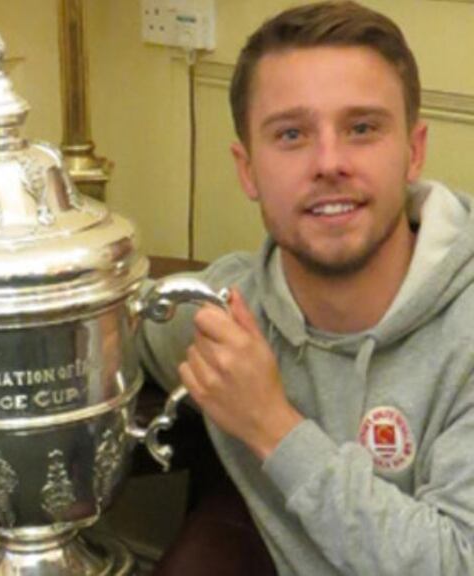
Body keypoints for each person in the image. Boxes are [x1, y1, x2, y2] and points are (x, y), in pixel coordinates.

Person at [138, 2, 474, 574]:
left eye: (362, 128)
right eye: (291, 134)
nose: (329, 162)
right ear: (247, 170)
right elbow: (118, 329)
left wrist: (270, 424)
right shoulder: (226, 319)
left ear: (413, 152)